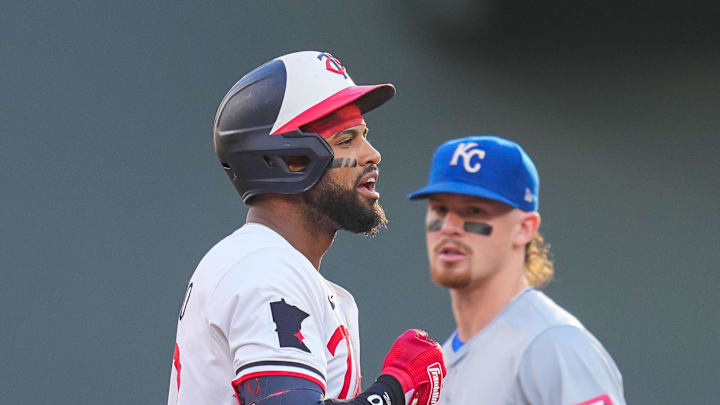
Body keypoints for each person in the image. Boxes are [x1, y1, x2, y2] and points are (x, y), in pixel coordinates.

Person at [167, 51, 445, 405]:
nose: (372, 154)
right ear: (286, 160)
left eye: (365, 135)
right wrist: (397, 390)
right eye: (347, 140)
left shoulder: (272, 264)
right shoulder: (266, 269)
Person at [409, 136, 626, 405]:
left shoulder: (554, 345)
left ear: (525, 228)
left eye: (473, 210)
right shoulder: (441, 361)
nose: (449, 226)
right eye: (440, 209)